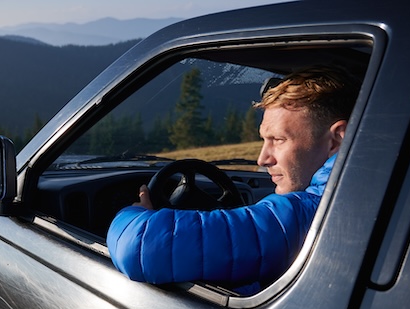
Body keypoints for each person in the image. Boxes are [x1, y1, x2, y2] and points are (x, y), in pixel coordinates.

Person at [106, 65, 359, 292]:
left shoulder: (313, 215)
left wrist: (135, 212)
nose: (262, 159)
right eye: (263, 140)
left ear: (337, 139)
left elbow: (139, 245)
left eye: (279, 140)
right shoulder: (359, 194)